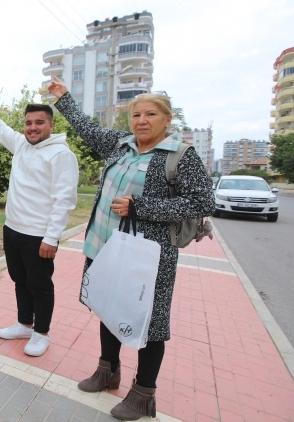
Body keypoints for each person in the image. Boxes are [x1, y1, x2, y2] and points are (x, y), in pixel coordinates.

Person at [47, 76, 214, 421]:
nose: (141, 121)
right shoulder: (120, 144)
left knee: (150, 324)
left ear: (167, 120)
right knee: (107, 308)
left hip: (148, 258)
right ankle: (107, 371)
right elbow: (86, 129)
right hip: (105, 247)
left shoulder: (181, 156)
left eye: (150, 114)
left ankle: (143, 393)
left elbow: (202, 201)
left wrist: (142, 207)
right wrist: (64, 99)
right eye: (136, 115)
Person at [0, 90, 79, 357]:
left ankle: (41, 333)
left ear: (51, 125)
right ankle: (25, 324)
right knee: (20, 280)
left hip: (39, 235)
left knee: (40, 285)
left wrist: (52, 238)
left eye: (39, 122)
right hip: (12, 229)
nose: (32, 127)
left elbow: (64, 200)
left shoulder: (61, 155)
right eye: (28, 123)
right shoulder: (20, 145)